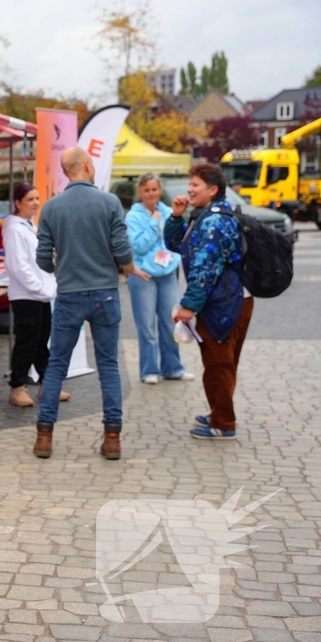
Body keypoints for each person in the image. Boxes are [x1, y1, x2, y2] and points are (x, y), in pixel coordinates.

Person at [34, 147, 150, 460]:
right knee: (108, 365)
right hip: (105, 294)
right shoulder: (110, 202)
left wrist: (62, 267)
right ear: (87, 165)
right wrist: (126, 266)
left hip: (69, 294)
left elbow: (43, 259)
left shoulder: (51, 207)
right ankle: (112, 437)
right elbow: (122, 250)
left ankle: (44, 436)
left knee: (57, 364)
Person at [165, 161, 252, 440]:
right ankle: (219, 411)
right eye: (190, 184)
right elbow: (177, 246)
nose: (189, 189)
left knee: (218, 364)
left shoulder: (214, 221)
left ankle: (224, 423)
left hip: (224, 303)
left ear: (212, 190)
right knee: (221, 362)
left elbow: (204, 269)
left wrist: (188, 307)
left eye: (195, 185)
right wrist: (176, 218)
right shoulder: (204, 215)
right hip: (228, 300)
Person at [124, 173, 194, 385]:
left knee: (170, 322)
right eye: (147, 190)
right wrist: (154, 224)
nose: (151, 194)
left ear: (160, 191)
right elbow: (138, 247)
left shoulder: (169, 212)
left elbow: (178, 237)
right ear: (140, 192)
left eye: (154, 189)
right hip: (143, 276)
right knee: (146, 326)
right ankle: (149, 370)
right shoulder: (133, 217)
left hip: (167, 275)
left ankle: (173, 368)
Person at [3, 183, 66, 407]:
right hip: (26, 295)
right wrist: (38, 287)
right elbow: (18, 265)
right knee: (27, 343)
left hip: (41, 294)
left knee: (41, 342)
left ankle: (47, 384)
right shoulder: (14, 229)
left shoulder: (29, 226)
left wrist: (47, 286)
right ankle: (17, 386)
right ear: (18, 203)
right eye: (30, 199)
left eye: (37, 198)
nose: (36, 203)